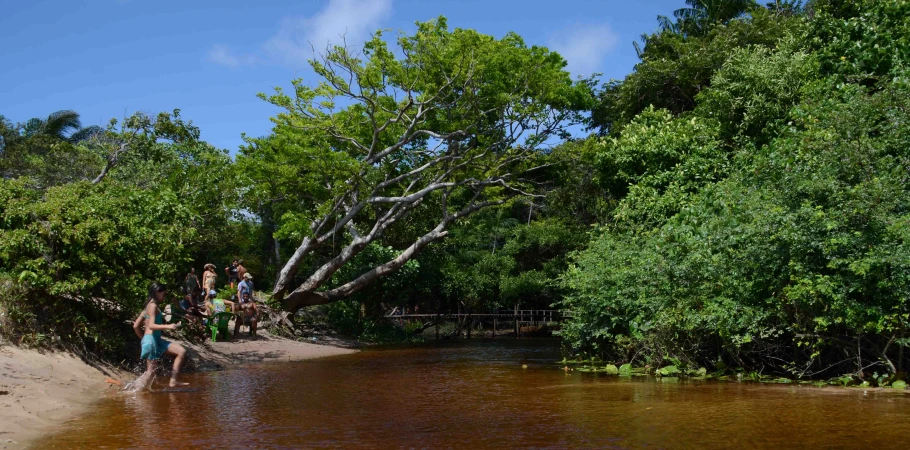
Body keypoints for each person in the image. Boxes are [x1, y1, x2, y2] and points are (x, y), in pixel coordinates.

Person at [131, 282, 189, 390]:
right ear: (157, 292)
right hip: (152, 341)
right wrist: (168, 326)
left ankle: (173, 381)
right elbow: (152, 326)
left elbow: (135, 326)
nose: (164, 297)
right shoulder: (152, 306)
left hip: (155, 340)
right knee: (150, 372)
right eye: (164, 294)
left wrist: (143, 339)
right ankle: (133, 390)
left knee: (181, 351)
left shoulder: (147, 307)